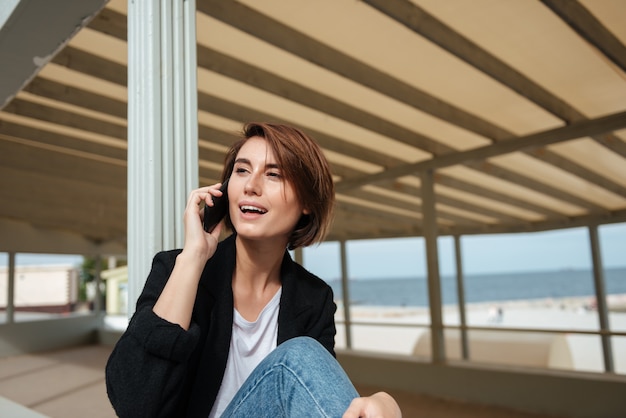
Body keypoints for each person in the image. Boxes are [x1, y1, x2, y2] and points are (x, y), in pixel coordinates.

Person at [105, 122, 402, 418]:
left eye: (273, 174)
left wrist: (384, 402)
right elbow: (134, 405)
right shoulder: (177, 270)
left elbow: (312, 397)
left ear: (307, 203)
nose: (251, 185)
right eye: (242, 170)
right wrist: (193, 258)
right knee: (297, 358)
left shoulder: (314, 298)